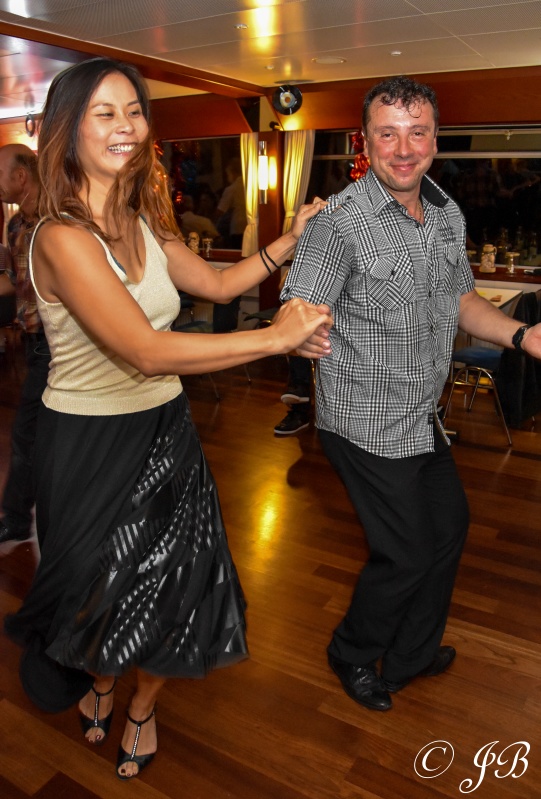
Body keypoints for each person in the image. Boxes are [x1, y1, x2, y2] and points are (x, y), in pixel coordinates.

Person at [3, 57, 332, 780]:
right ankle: (98, 676)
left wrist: (287, 240)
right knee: (98, 589)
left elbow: (218, 282)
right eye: (104, 112)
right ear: (68, 129)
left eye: (134, 111)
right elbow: (147, 350)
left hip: (166, 433)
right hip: (87, 443)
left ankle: (142, 704)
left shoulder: (144, 220)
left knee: (176, 582)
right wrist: (275, 338)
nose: (126, 126)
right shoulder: (59, 236)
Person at [282, 75, 541, 712]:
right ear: (365, 141)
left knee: (449, 528)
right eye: (388, 134)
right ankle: (350, 651)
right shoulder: (338, 226)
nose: (404, 148)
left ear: (434, 137)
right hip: (363, 423)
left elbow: (461, 301)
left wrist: (523, 335)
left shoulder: (446, 214)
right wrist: (299, 332)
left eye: (417, 132)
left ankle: (412, 654)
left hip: (422, 417)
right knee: (404, 554)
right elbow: (296, 310)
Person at [0, 144, 48, 545]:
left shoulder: (57, 221)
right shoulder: (16, 226)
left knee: (28, 433)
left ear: (20, 176)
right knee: (37, 433)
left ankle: (18, 519)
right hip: (34, 343)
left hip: (59, 344)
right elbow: (14, 284)